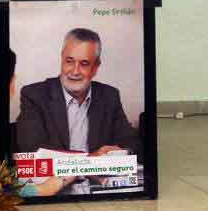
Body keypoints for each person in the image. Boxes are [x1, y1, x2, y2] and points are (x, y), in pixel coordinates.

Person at [15, 28, 139, 158]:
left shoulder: (109, 96)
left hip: (98, 177)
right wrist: (90, 159)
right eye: (69, 61)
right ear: (62, 58)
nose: (75, 71)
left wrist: (121, 152)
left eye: (84, 64)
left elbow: (130, 143)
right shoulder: (34, 95)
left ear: (96, 67)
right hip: (54, 178)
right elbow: (32, 148)